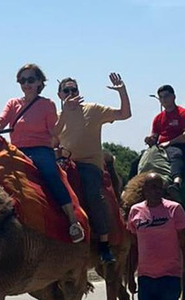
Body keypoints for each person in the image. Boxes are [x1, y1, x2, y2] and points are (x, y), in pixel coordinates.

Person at [0, 63, 85, 243]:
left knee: (50, 174)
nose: (26, 84)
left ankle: (73, 221)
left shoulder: (47, 105)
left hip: (40, 150)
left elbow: (54, 131)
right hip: (15, 150)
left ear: (39, 82)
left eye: (30, 79)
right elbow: (0, 122)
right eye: (22, 80)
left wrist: (65, 113)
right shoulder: (13, 103)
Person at [55, 72, 132, 262]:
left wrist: (122, 91)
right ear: (60, 95)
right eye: (67, 90)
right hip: (64, 164)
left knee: (92, 192)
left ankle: (104, 242)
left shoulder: (94, 109)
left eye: (74, 89)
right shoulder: (57, 117)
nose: (71, 93)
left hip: (89, 164)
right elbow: (51, 138)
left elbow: (125, 114)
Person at [144, 85, 185, 195]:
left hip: (180, 145)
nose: (163, 100)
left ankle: (176, 182)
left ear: (173, 97)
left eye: (166, 96)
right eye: (161, 97)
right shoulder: (158, 118)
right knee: (139, 161)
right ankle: (127, 191)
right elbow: (154, 136)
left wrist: (170, 142)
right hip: (162, 147)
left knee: (175, 154)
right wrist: (150, 140)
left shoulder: (183, 113)